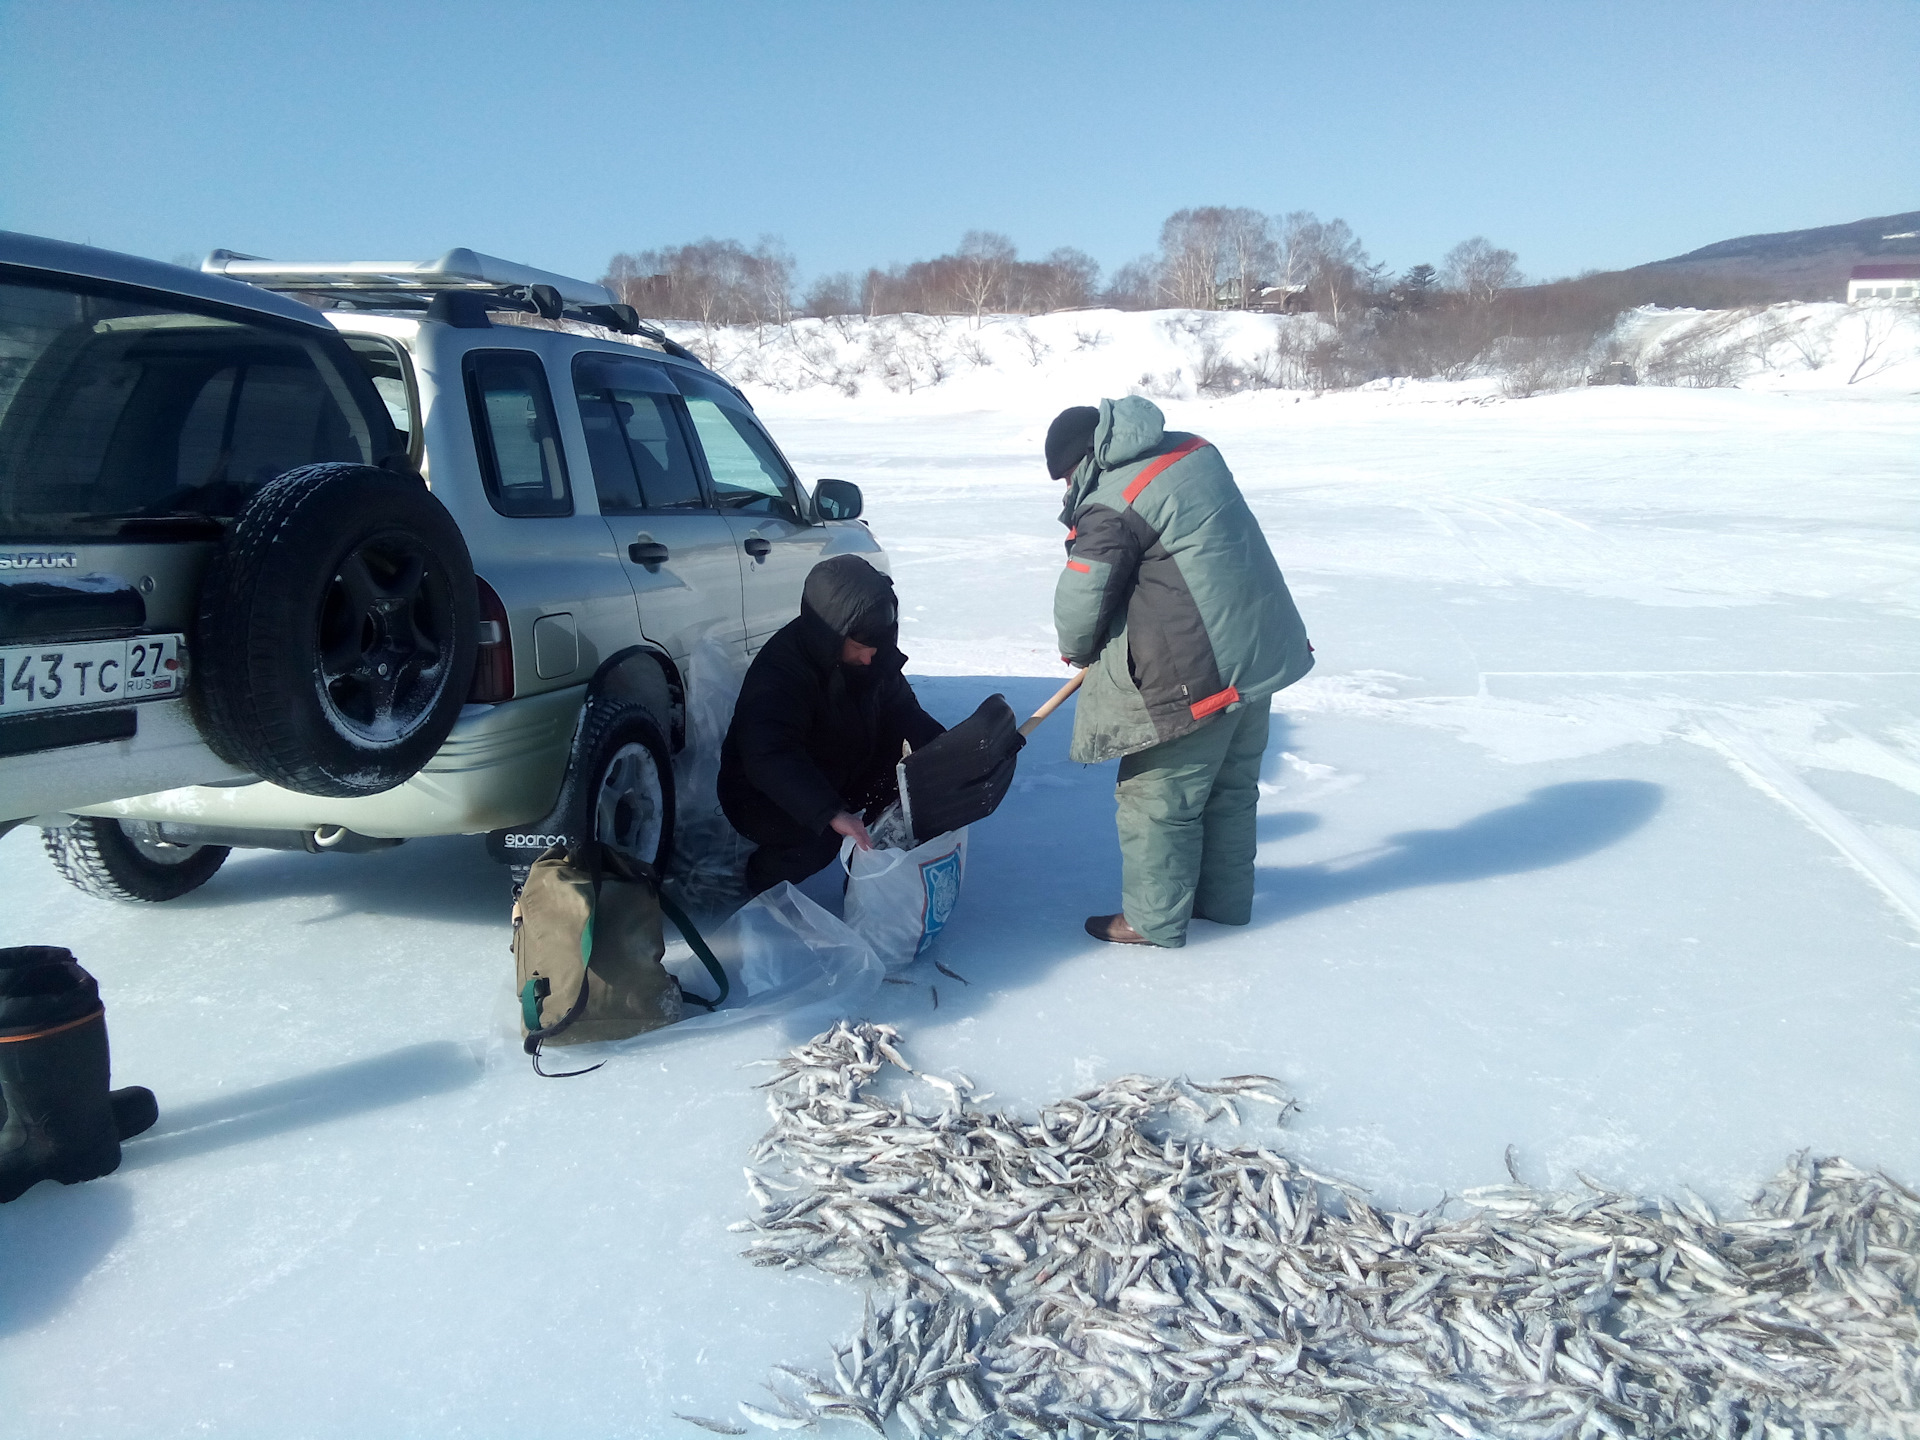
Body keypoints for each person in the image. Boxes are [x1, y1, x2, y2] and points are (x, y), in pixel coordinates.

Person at [1047, 397, 1314, 947]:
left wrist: (1076, 648)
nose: (1067, 488)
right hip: (1258, 651)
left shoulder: (1112, 503)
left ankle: (1153, 921)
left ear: (1086, 461)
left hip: (1197, 670)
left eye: (1067, 476)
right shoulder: (1190, 452)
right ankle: (1224, 903)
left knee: (1158, 797)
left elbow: (1083, 596)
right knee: (1230, 789)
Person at [720, 555, 946, 896]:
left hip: (837, 764)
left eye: (874, 648)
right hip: (761, 792)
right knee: (820, 838)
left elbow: (901, 710)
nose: (869, 659)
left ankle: (870, 881)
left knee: (905, 786)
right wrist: (831, 812)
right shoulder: (781, 672)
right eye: (859, 648)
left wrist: (944, 747)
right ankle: (760, 884)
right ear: (832, 633)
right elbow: (769, 755)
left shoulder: (871, 652)